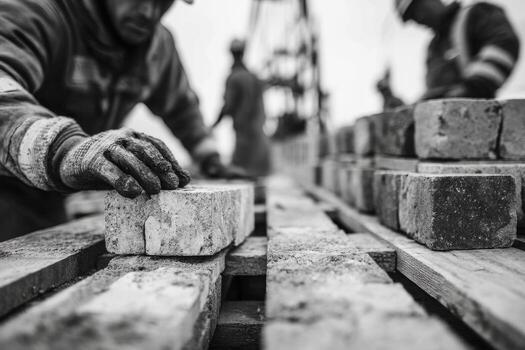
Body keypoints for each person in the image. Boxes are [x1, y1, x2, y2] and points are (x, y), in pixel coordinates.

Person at [0, 0, 243, 241]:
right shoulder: (37, 12)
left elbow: (182, 108)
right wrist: (65, 148)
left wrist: (210, 157)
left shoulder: (156, 46)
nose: (148, 11)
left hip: (51, 200)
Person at [379, 0, 520, 107]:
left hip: (474, 120)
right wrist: (388, 95)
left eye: (416, 10)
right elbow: (424, 106)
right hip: (441, 127)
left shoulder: (476, 15)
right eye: (412, 18)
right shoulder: (433, 48)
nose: (418, 19)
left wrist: (473, 88)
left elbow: (504, 44)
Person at [213, 39, 271, 177]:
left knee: (240, 173)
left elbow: (228, 106)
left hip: (243, 135)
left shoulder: (234, 78)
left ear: (231, 54)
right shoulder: (254, 78)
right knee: (257, 173)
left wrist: (214, 124)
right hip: (257, 133)